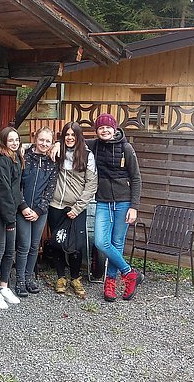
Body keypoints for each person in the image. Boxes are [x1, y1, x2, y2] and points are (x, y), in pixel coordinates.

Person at [89, 113, 143, 302]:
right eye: (101, 128)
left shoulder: (126, 148)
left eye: (108, 127)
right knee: (101, 241)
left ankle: (110, 283)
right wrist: (57, 144)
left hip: (123, 202)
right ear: (97, 131)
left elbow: (136, 177)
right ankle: (129, 273)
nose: (104, 130)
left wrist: (134, 206)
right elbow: (73, 141)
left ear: (114, 128)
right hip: (103, 201)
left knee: (117, 242)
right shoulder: (93, 146)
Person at [48, 122, 97, 298]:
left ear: (78, 136)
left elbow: (91, 185)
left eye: (73, 135)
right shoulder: (57, 152)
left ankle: (75, 277)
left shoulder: (87, 155)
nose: (69, 138)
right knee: (57, 241)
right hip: (55, 205)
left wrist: (77, 208)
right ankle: (61, 277)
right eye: (66, 134)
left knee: (76, 244)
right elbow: (36, 147)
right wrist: (54, 144)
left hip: (76, 207)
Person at [0, 127, 26, 309]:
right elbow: (3, 192)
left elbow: (15, 190)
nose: (14, 143)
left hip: (9, 212)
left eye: (17, 140)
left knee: (10, 251)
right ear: (3, 142)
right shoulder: (1, 162)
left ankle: (4, 286)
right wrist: (10, 219)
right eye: (11, 140)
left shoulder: (15, 159)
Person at [14, 126, 58, 297]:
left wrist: (39, 211)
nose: (44, 143)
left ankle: (28, 277)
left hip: (41, 211)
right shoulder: (24, 157)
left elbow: (50, 188)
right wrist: (23, 207)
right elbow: (17, 185)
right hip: (22, 209)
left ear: (52, 143)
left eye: (48, 141)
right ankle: (20, 281)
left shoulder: (52, 161)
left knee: (34, 245)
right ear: (35, 138)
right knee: (23, 245)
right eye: (41, 139)